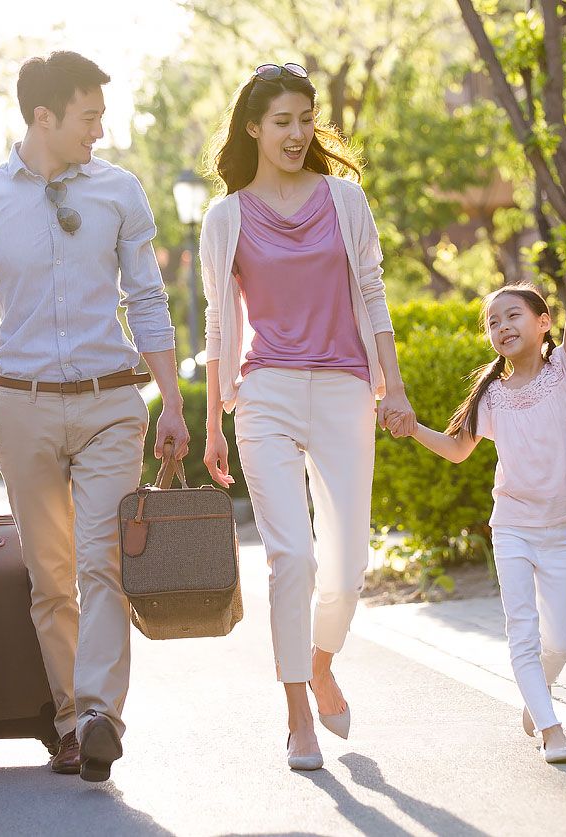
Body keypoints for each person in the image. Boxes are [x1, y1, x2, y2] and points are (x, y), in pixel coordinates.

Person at [0, 51, 189, 782]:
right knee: (51, 577)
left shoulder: (120, 191)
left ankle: (97, 715)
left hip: (109, 404)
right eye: (88, 116)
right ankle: (69, 721)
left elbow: (147, 300)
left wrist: (172, 403)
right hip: (23, 407)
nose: (100, 128)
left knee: (102, 563)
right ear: (44, 117)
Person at [199, 62, 416, 771]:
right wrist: (210, 424)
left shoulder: (345, 201)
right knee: (290, 554)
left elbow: (373, 292)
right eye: (281, 121)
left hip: (346, 388)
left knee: (349, 561)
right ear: (253, 127)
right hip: (265, 393)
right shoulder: (225, 217)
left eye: (305, 119)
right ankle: (298, 713)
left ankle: (322, 663)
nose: (296, 134)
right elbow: (214, 323)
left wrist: (397, 385)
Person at [397, 242, 566, 763]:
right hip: (510, 525)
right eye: (493, 321)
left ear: (542, 323)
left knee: (563, 641)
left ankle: (537, 700)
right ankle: (552, 729)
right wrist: (412, 427)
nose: (502, 326)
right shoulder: (492, 396)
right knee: (523, 631)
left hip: (557, 532)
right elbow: (458, 451)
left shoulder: (564, 373)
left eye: (513, 315)